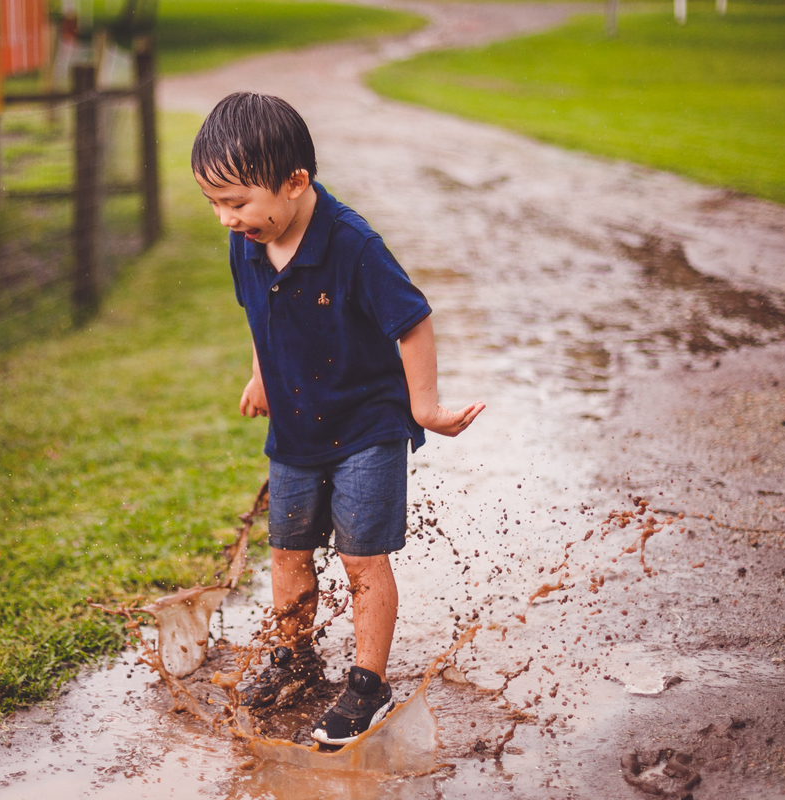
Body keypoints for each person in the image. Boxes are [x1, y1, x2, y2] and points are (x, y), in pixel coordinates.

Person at [192, 92, 485, 747]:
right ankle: (297, 660)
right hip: (296, 428)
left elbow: (412, 321)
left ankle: (366, 686)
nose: (224, 219)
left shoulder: (352, 245)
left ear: (295, 184)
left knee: (360, 559)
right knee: (288, 553)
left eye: (236, 202)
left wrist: (425, 407)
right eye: (214, 203)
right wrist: (262, 375)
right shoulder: (248, 243)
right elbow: (259, 315)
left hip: (367, 428)